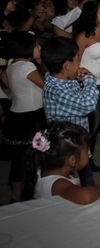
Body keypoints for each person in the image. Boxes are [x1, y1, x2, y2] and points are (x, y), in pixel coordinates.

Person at [40, 36, 99, 186]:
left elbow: (77, 97)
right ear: (66, 65)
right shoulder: (55, 89)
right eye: (77, 60)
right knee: (72, 184)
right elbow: (88, 104)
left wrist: (79, 82)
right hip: (66, 149)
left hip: (76, 143)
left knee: (82, 179)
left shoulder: (62, 80)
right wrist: (89, 79)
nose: (80, 64)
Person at [2, 31, 46, 202]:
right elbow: (45, 85)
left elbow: (6, 79)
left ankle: (15, 196)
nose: (39, 47)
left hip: (15, 116)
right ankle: (34, 192)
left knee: (18, 159)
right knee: (36, 155)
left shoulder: (12, 64)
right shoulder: (28, 67)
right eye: (37, 45)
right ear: (27, 48)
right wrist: (42, 63)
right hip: (32, 118)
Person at [74, 0, 100, 173]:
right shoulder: (83, 36)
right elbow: (74, 62)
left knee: (95, 125)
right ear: (92, 15)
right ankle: (80, 161)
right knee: (86, 127)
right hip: (86, 86)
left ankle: (87, 160)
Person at [27, 121, 100, 204]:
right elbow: (85, 196)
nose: (89, 154)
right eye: (87, 151)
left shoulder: (45, 165)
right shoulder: (58, 184)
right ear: (73, 160)